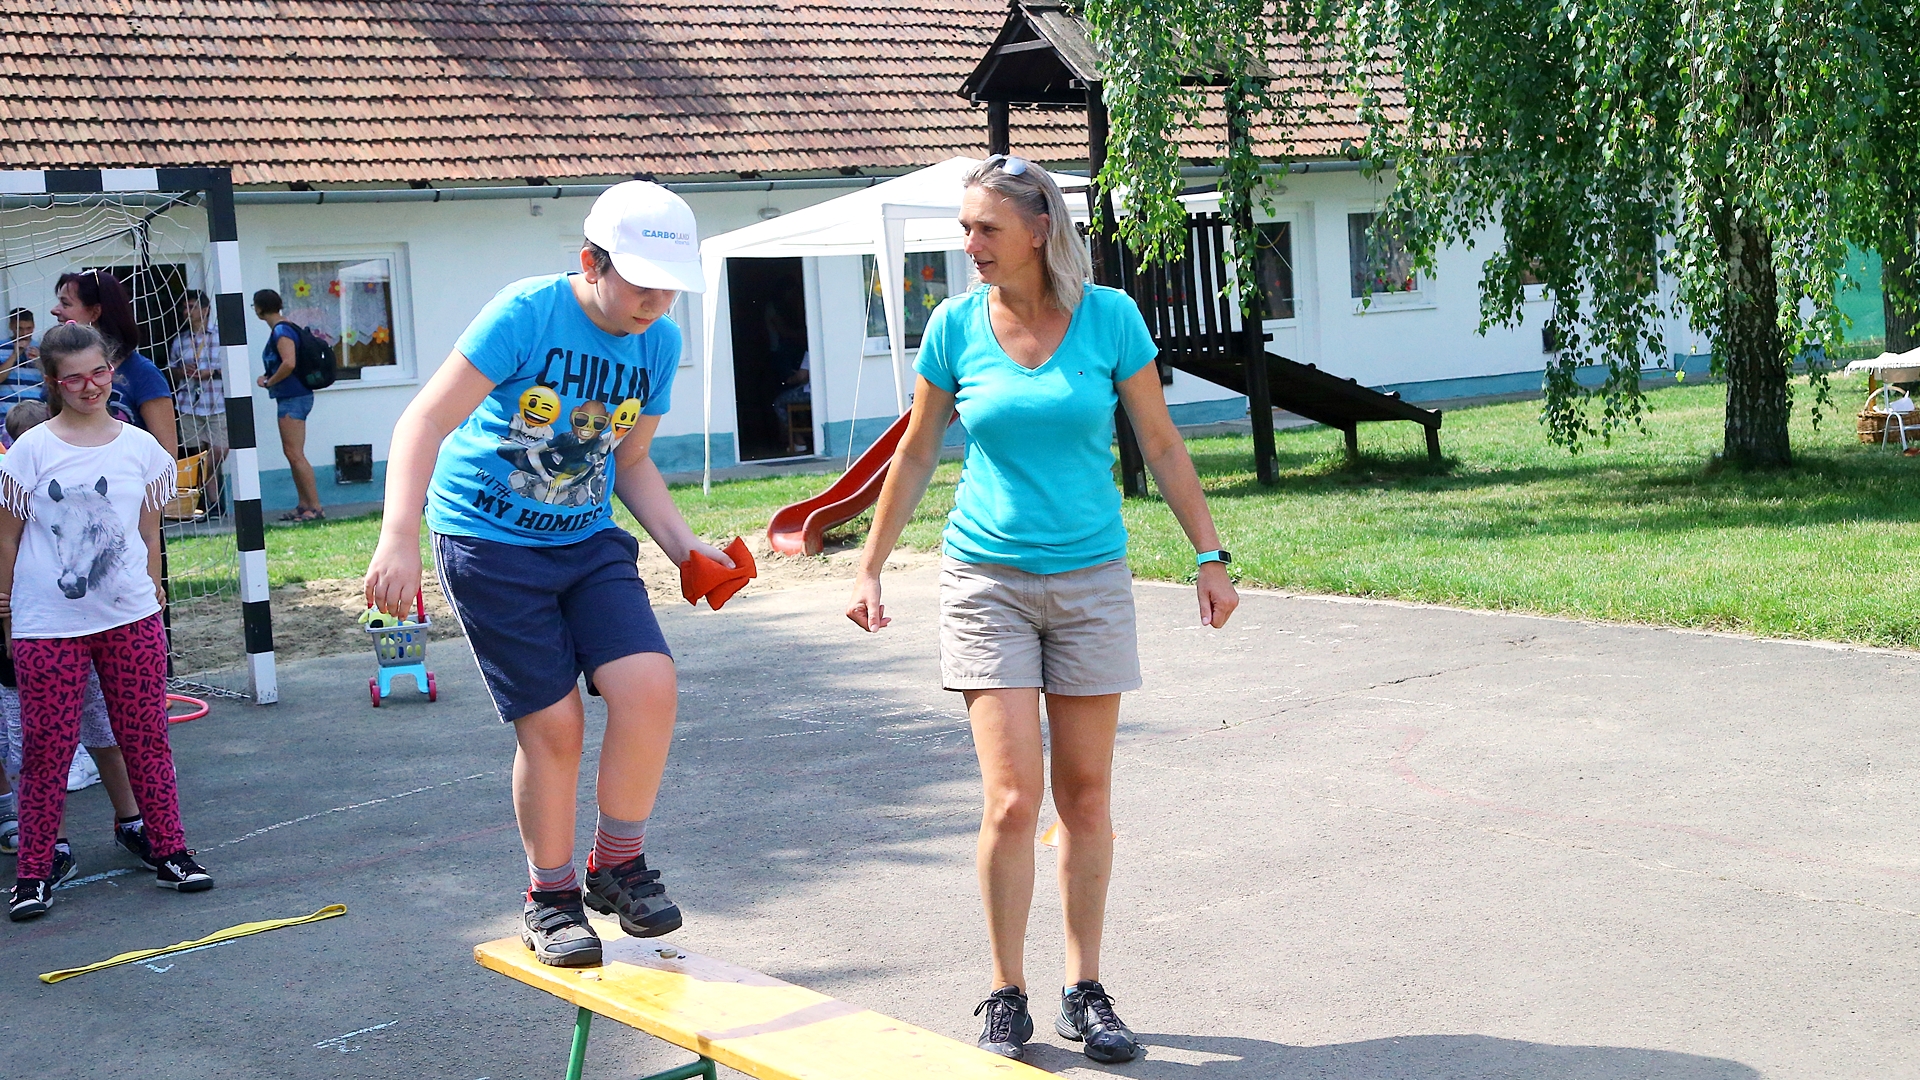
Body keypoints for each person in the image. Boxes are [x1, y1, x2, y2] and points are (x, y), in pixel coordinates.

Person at [846, 156, 1240, 1063]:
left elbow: (1164, 443)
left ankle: (1085, 987)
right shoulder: (952, 325)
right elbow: (913, 454)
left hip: (1093, 581)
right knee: (1014, 799)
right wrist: (870, 565)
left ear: (1037, 230)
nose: (969, 242)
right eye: (966, 226)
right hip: (986, 580)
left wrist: (1208, 556)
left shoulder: (1110, 320)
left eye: (985, 227)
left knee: (1087, 797)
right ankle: (1004, 990)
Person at [363, 181, 731, 968]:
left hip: (585, 537)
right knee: (555, 726)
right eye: (641, 282)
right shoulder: (527, 311)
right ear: (590, 261)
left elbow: (629, 460)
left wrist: (685, 550)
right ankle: (552, 897)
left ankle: (616, 866)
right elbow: (423, 419)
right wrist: (397, 536)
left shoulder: (657, 343)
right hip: (488, 542)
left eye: (670, 287)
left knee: (650, 687)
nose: (656, 301)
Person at [2, 322, 213, 921]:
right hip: (47, 625)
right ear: (54, 383)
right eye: (73, 378)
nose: (89, 386)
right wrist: (6, 610)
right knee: (47, 748)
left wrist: (154, 591)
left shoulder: (142, 449)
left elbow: (149, 533)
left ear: (110, 372)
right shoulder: (31, 450)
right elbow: (8, 540)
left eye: (98, 373)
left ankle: (171, 850)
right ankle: (34, 872)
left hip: (130, 619)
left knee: (145, 736)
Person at [50, 270, 178, 458]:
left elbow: (167, 457)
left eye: (66, 303)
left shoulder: (143, 374)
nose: (55, 310)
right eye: (76, 380)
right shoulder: (57, 372)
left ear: (95, 312)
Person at [251, 289, 322, 522]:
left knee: (295, 453)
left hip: (294, 398)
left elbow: (289, 363)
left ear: (260, 309)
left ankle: (315, 507)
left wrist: (270, 381)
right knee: (291, 453)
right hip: (292, 397)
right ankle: (303, 505)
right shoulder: (285, 327)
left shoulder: (281, 331)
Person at [169, 290, 226, 512]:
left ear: (205, 310)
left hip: (217, 402)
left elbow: (233, 367)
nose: (187, 311)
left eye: (191, 306)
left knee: (219, 450)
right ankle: (212, 504)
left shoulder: (221, 337)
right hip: (188, 404)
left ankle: (208, 498)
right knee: (195, 455)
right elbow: (171, 370)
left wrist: (210, 372)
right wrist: (182, 371)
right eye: (184, 307)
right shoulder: (179, 340)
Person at [0, 307, 41, 433]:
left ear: (33, 326)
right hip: (7, 416)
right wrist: (14, 355)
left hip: (36, 415)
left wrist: (40, 362)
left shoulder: (43, 348)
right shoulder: (1, 348)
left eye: (28, 329)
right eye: (20, 329)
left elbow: (53, 381)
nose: (24, 334)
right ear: (11, 326)